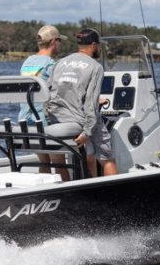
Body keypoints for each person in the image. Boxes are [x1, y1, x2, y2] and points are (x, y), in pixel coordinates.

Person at [45, 28, 118, 180]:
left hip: (57, 119)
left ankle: (70, 188)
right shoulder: (95, 67)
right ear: (93, 45)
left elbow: (47, 95)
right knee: (107, 158)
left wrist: (50, 119)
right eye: (99, 45)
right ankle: (113, 192)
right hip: (80, 120)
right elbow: (91, 105)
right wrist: (86, 133)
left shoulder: (60, 63)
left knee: (60, 161)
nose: (99, 48)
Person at [19, 25, 65, 173]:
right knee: (59, 161)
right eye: (59, 41)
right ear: (54, 42)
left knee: (44, 160)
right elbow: (63, 93)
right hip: (44, 123)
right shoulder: (51, 65)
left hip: (26, 121)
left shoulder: (27, 63)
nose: (60, 44)